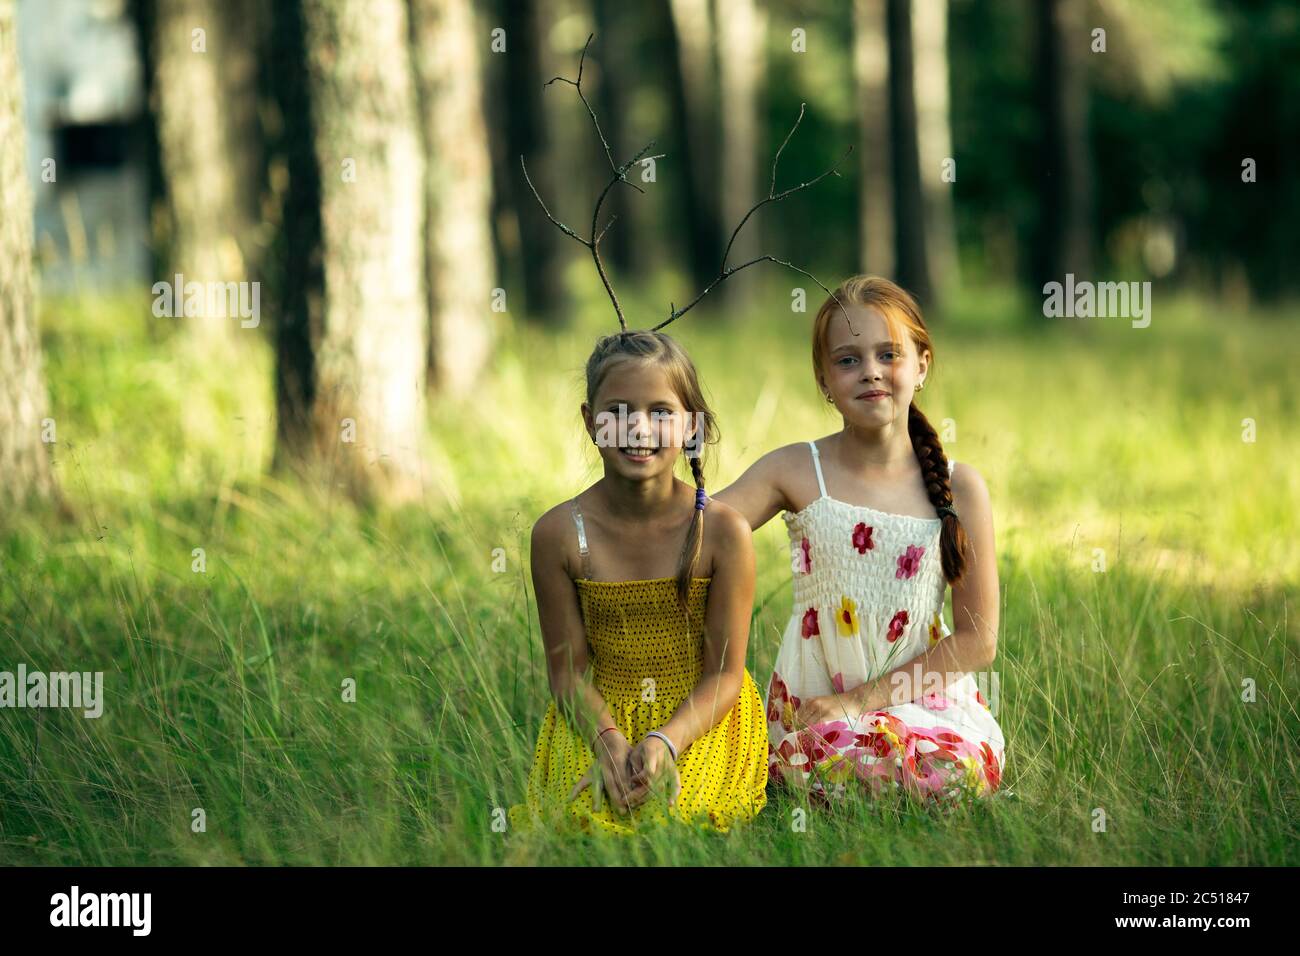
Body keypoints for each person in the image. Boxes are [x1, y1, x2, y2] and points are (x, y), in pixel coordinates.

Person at [713, 276, 1006, 808]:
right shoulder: (797, 469)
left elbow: (977, 641)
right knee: (835, 759)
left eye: (888, 354)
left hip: (924, 702)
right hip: (817, 708)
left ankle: (893, 787)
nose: (870, 370)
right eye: (847, 360)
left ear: (921, 364)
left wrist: (862, 702)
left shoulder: (960, 486)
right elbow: (704, 528)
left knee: (953, 770)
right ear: (824, 379)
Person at [509, 330, 769, 834]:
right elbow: (568, 674)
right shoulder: (560, 534)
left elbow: (724, 676)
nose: (639, 428)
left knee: (672, 817)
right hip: (597, 715)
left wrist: (665, 741)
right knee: (583, 818)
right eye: (619, 411)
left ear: (691, 426)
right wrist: (608, 742)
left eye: (660, 413)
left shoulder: (723, 533)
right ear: (590, 422)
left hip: (699, 715)